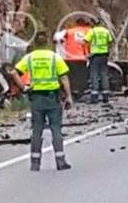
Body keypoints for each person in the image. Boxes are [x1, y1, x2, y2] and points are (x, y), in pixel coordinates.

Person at [10, 31, 74, 172]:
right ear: (47, 43)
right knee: (56, 129)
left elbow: (14, 72)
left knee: (37, 130)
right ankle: (60, 161)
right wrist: (68, 96)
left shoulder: (30, 58)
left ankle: (35, 163)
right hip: (52, 98)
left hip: (36, 98)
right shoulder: (54, 58)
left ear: (35, 44)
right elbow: (64, 78)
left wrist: (23, 87)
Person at [84, 18, 113, 104]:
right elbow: (110, 42)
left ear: (93, 23)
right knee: (104, 74)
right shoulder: (106, 31)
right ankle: (106, 97)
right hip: (104, 55)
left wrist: (88, 52)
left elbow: (85, 41)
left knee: (94, 75)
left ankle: (94, 97)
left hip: (95, 55)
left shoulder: (92, 31)